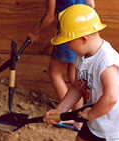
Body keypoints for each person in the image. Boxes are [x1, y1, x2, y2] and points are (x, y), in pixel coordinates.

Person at [45, 4, 119, 141]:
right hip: (94, 117)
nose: (67, 45)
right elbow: (77, 86)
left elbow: (111, 97)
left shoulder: (106, 62)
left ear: (84, 39)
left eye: (68, 41)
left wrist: (91, 114)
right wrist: (60, 110)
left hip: (112, 127)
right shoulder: (81, 57)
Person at [28, 0, 95, 130]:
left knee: (54, 73)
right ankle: (78, 120)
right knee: (73, 77)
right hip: (82, 33)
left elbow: (49, 17)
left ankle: (68, 114)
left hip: (67, 34)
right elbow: (91, 6)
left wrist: (35, 33)